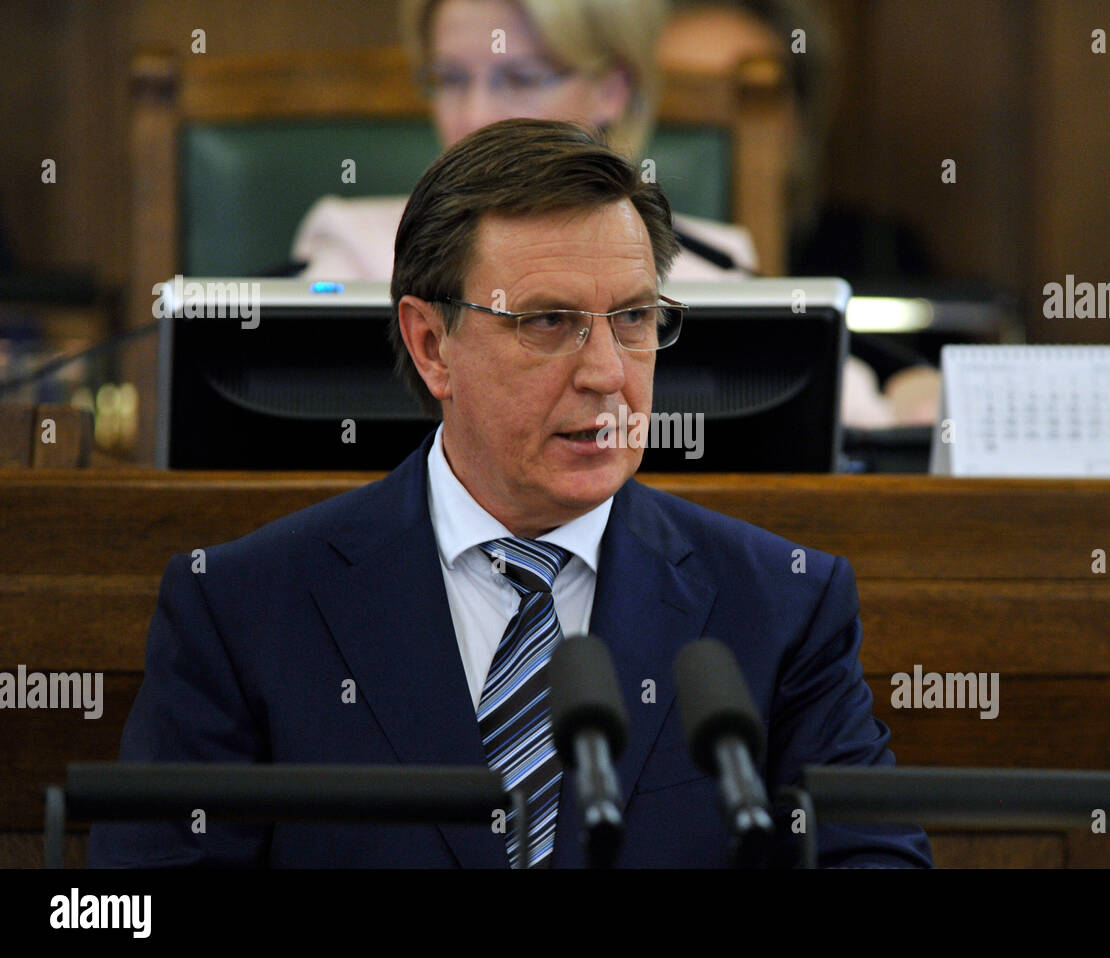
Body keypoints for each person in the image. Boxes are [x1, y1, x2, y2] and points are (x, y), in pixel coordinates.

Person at [88, 118, 932, 868]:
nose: (607, 374)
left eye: (635, 319)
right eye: (546, 322)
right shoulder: (241, 610)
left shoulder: (783, 606)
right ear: (431, 345)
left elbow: (874, 859)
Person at [292, 0, 757, 282]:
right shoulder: (353, 250)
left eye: (520, 78)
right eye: (451, 79)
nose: (475, 117)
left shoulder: (716, 272)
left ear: (612, 89)